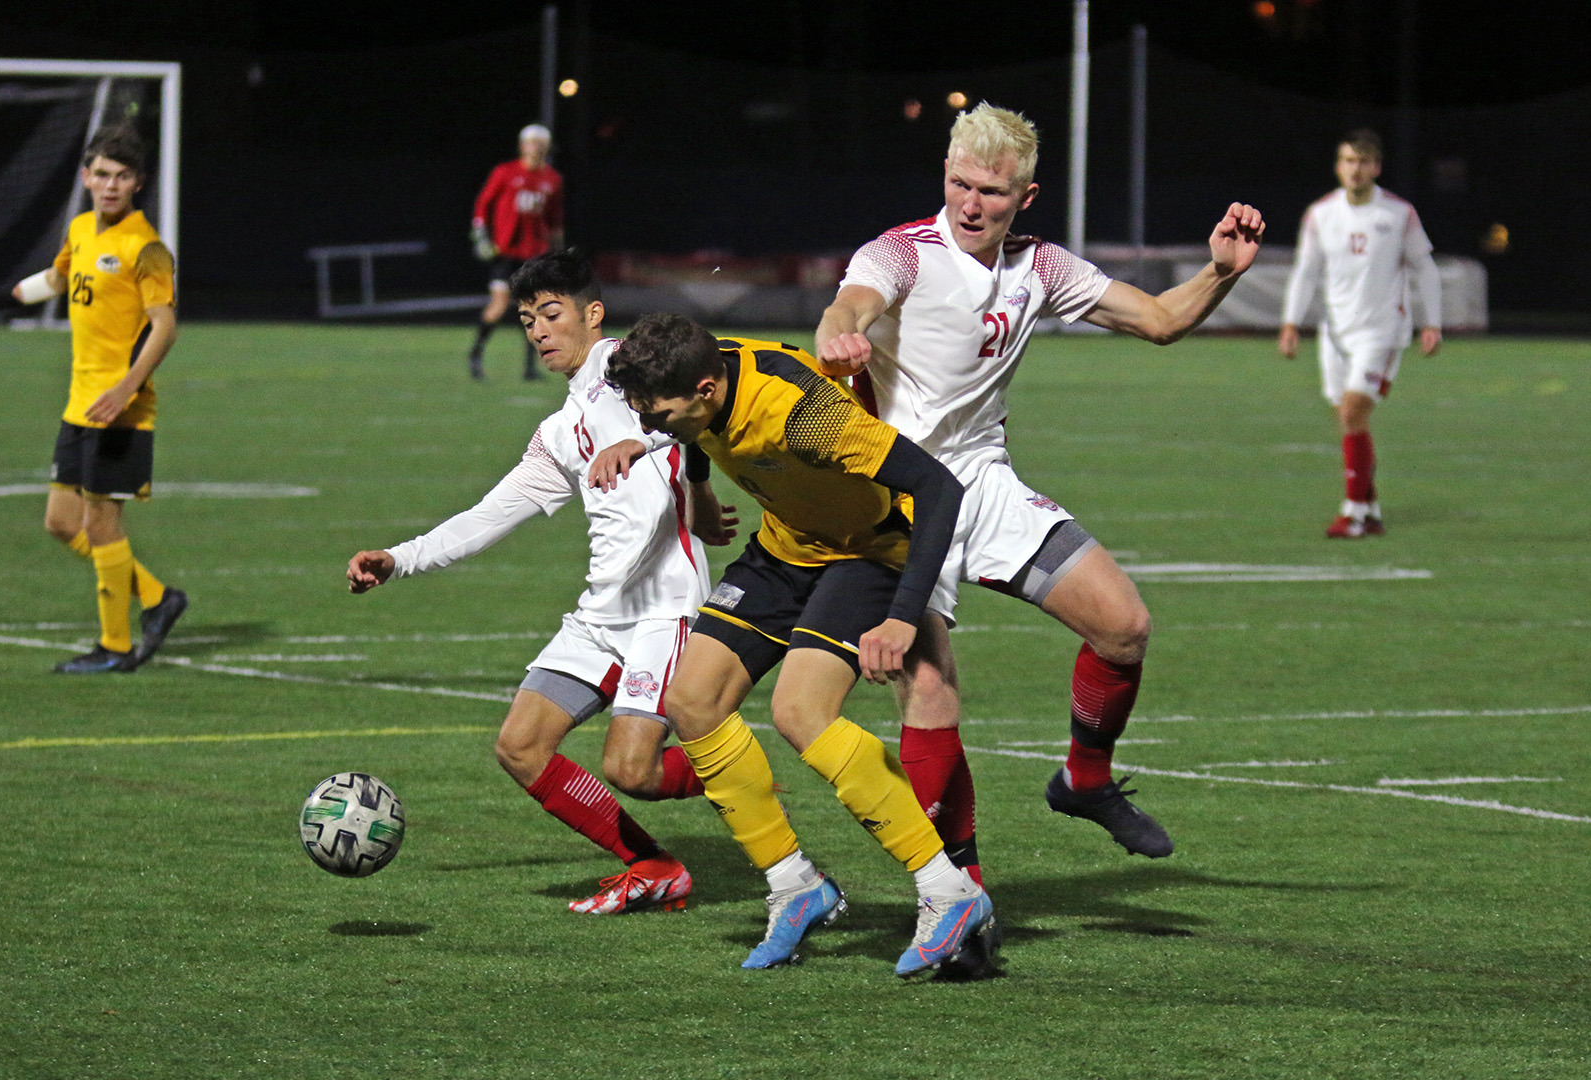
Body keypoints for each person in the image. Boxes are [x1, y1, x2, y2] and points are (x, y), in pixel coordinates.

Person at [815, 103, 1264, 882]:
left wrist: (1218, 272)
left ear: (1025, 196)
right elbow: (851, 302)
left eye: (992, 191)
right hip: (899, 500)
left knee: (1124, 627)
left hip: (984, 486)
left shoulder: (1042, 267)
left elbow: (1159, 321)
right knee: (932, 694)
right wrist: (840, 331)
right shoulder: (904, 253)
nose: (971, 204)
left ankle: (1084, 780)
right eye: (960, 184)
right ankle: (956, 900)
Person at [593, 316, 996, 979]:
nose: (650, 423)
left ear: (703, 388)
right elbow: (697, 431)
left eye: (658, 412)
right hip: (785, 548)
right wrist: (696, 485)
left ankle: (949, 890)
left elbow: (938, 488)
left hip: (868, 551)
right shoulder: (704, 382)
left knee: (800, 713)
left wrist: (901, 618)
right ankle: (796, 885)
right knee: (692, 703)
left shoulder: (804, 416)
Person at [348, 251, 732, 915]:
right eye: (527, 320)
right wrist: (399, 558)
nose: (538, 331)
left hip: (663, 608)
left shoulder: (631, 371)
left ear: (592, 313)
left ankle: (740, 772)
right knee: (520, 746)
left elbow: (705, 400)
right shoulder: (559, 433)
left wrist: (648, 447)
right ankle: (653, 866)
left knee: (632, 772)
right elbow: (490, 515)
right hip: (600, 614)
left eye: (550, 314)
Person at [0, 125, 188, 675]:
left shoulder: (146, 248)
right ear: (86, 178)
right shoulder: (80, 229)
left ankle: (116, 647)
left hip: (121, 411)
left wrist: (126, 387)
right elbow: (54, 279)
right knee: (59, 522)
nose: (110, 185)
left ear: (138, 184)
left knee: (101, 526)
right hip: (79, 406)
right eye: (101, 174)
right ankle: (156, 597)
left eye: (122, 177)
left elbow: (164, 328)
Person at [1279, 128, 1443, 539]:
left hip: (1381, 331)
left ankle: (1352, 512)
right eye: (1349, 161)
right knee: (1349, 420)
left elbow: (1424, 267)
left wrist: (1432, 321)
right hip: (1335, 333)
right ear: (1339, 166)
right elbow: (1306, 272)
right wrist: (1290, 323)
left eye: (1364, 162)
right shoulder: (1321, 214)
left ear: (1377, 167)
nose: (1356, 169)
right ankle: (1369, 510)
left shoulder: (1398, 213)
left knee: (1353, 411)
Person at [468, 124, 565, 381]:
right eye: (531, 142)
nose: (535, 147)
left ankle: (530, 367)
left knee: (536, 312)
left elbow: (555, 221)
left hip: (535, 254)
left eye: (540, 143)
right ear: (522, 145)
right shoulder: (505, 172)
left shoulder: (552, 180)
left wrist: (557, 253)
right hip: (506, 251)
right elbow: (483, 204)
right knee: (499, 304)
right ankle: (476, 354)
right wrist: (481, 234)